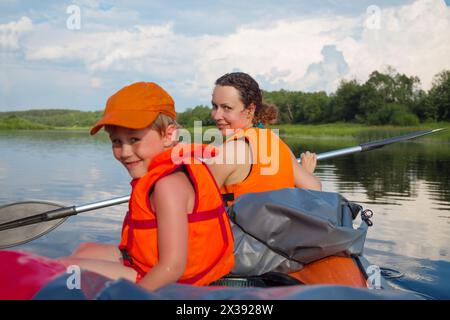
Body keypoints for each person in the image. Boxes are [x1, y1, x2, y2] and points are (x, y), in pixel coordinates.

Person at [58, 82, 234, 291]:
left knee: (65, 269)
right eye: (116, 141)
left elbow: (172, 268)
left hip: (178, 281)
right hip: (146, 261)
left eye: (134, 139)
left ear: (168, 135)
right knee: (84, 250)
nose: (124, 152)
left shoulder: (168, 186)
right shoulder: (161, 174)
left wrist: (132, 297)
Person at [205, 72, 321, 206]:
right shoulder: (274, 141)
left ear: (250, 110)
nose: (216, 115)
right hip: (277, 226)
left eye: (227, 108)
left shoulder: (227, 152)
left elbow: (197, 205)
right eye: (215, 106)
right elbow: (315, 188)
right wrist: (305, 172)